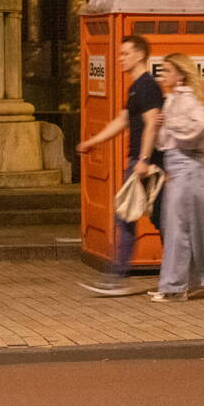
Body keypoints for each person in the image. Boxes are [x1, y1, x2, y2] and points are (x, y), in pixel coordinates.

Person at [76, 35, 164, 296]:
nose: (120, 58)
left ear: (140, 55)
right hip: (139, 161)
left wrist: (144, 160)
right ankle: (118, 277)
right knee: (144, 219)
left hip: (147, 164)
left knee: (140, 219)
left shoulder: (147, 86)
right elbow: (123, 120)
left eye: (125, 53)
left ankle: (116, 278)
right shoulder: (136, 87)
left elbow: (152, 124)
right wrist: (93, 141)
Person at [149, 53, 204, 303]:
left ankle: (176, 286)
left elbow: (202, 127)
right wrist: (160, 126)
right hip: (178, 168)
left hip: (188, 168)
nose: (162, 76)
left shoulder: (188, 100)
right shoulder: (173, 100)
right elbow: (164, 143)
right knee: (178, 227)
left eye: (167, 71)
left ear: (180, 74)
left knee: (179, 229)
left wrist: (171, 125)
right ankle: (190, 279)